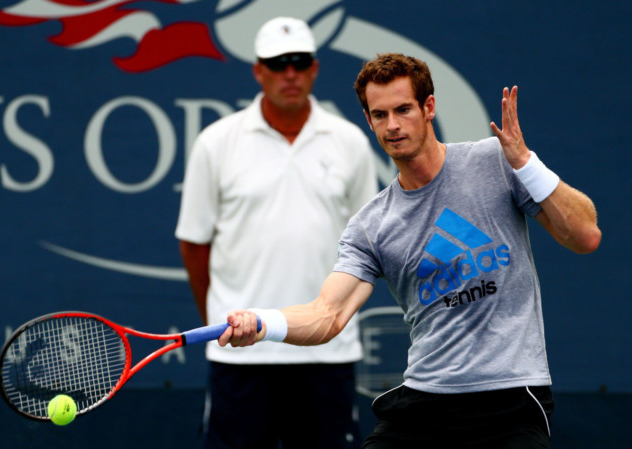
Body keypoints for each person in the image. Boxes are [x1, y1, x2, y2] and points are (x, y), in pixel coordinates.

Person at [218, 53, 602, 448]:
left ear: (429, 107)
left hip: (510, 402)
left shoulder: (496, 162)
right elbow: (327, 315)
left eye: (403, 109)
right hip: (425, 405)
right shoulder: (371, 226)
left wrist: (524, 162)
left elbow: (585, 235)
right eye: (380, 115)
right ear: (368, 121)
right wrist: (262, 323)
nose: (393, 126)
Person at [175, 16, 379, 449]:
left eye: (300, 61)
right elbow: (194, 244)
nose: (290, 73)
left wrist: (333, 318)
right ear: (258, 70)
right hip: (243, 356)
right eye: (278, 62)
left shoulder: (349, 142)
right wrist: (224, 320)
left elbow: (369, 244)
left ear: (315, 68)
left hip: (327, 352)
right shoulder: (216, 142)